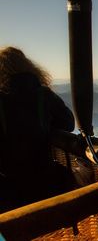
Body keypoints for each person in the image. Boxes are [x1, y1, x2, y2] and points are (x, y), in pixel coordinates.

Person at [0, 47, 75, 212]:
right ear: (28, 66)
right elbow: (69, 124)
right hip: (44, 182)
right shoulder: (43, 95)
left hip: (7, 189)